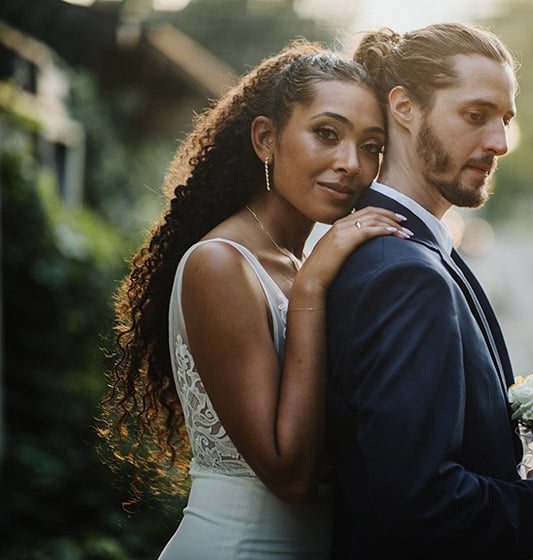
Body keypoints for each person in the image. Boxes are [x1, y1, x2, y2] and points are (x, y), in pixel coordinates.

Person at [98, 40, 413, 559]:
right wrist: (313, 287)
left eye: (372, 146)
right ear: (266, 139)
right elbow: (290, 476)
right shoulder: (221, 264)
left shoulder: (302, 260)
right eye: (326, 134)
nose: (350, 164)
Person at [324, 23, 533, 559]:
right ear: (404, 107)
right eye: (475, 116)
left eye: (505, 121)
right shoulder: (401, 272)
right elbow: (416, 499)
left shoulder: (417, 250)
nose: (498, 143)